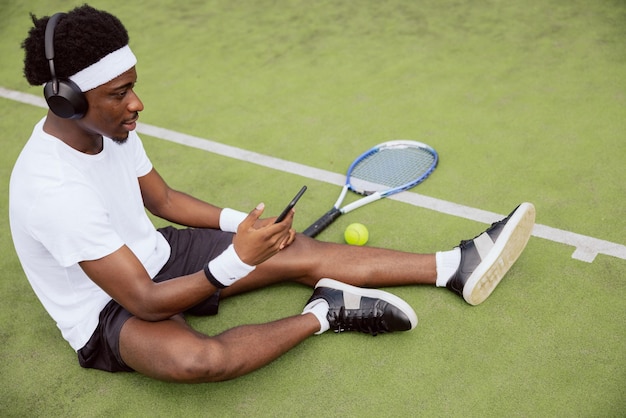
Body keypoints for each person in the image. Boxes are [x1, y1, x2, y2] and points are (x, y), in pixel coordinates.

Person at [9, 5, 535, 383]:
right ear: (68, 100)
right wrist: (233, 262)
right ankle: (325, 312)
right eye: (120, 94)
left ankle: (453, 266)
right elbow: (143, 301)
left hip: (155, 255)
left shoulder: (113, 128)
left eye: (134, 86)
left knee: (294, 249)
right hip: (108, 306)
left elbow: (164, 201)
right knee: (200, 362)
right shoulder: (53, 191)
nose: (137, 103)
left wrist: (244, 227)